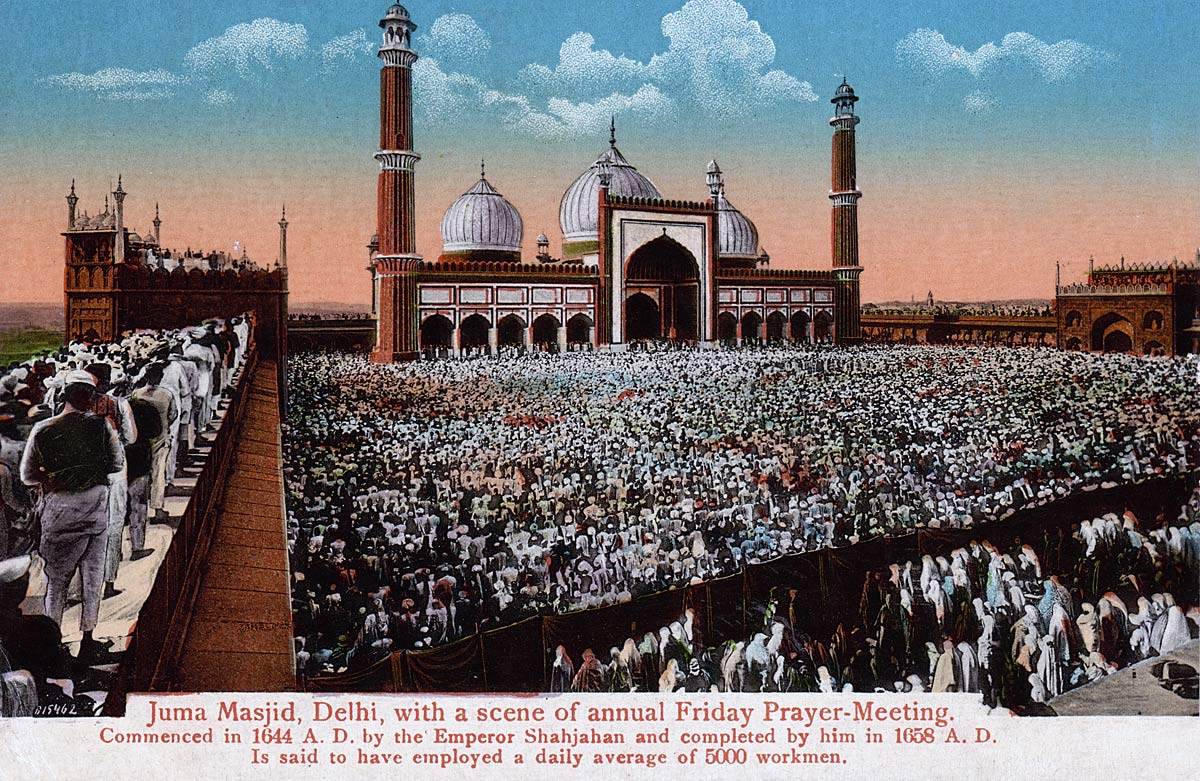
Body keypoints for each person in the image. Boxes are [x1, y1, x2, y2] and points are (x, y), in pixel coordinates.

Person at [19, 369, 124, 659]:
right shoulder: (102, 427)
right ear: (91, 399)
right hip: (95, 511)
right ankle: (88, 642)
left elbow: (27, 476)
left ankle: (53, 645)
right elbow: (116, 465)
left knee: (57, 584)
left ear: (64, 395)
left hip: (59, 512)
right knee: (92, 581)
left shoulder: (43, 429)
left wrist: (53, 474)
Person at [131, 364, 177, 522]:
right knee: (158, 473)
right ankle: (157, 510)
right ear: (160, 377)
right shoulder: (167, 394)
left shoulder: (137, 393)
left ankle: (135, 510)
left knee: (139, 474)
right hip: (160, 437)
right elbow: (173, 415)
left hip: (141, 439)